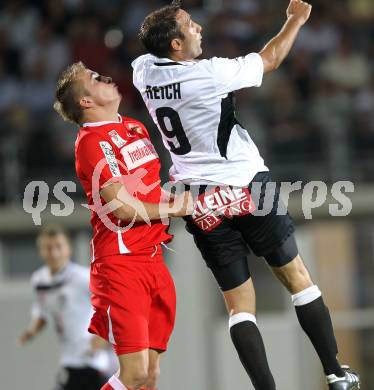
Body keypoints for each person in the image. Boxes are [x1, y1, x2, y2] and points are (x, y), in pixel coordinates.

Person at [132, 1, 360, 389]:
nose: (199, 28)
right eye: (190, 25)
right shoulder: (210, 74)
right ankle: (336, 374)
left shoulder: (143, 71)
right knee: (298, 278)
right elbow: (269, 59)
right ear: (175, 44)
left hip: (196, 197)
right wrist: (294, 21)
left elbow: (149, 59)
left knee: (239, 307)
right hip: (245, 183)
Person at [53, 61, 192, 390]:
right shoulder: (90, 143)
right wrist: (175, 207)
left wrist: (184, 200)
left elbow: (150, 189)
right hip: (121, 262)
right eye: (95, 78)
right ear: (86, 101)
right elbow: (124, 208)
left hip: (153, 258)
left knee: (150, 377)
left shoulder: (134, 127)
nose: (106, 77)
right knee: (134, 374)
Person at [18, 225, 112, 390]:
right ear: (41, 251)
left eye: (58, 247)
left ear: (69, 249)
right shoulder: (39, 280)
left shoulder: (83, 277)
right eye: (48, 248)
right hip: (70, 359)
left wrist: (103, 336)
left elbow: (114, 302)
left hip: (93, 361)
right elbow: (43, 310)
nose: (54, 253)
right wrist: (31, 331)